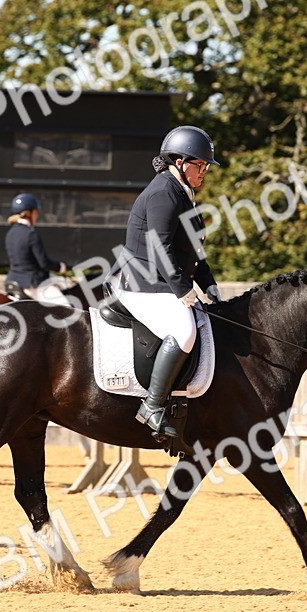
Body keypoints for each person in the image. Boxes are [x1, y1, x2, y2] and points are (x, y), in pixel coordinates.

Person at [110, 125, 222, 442]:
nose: (204, 172)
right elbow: (162, 248)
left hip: (160, 281)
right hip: (142, 284)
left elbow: (192, 250)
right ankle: (152, 405)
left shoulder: (183, 194)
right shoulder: (164, 193)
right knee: (185, 330)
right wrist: (183, 290)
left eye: (204, 167)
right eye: (199, 165)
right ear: (179, 161)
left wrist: (208, 283)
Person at [4, 193, 68, 305]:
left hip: (12, 281)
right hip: (32, 284)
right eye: (36, 213)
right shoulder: (31, 234)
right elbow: (43, 263)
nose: (37, 216)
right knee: (66, 308)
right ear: (28, 213)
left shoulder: (10, 233)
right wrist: (60, 267)